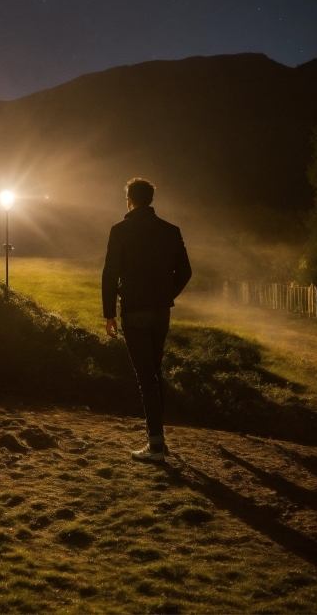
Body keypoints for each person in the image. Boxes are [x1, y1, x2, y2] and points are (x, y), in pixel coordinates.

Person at [102, 177, 192, 462]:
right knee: (155, 374)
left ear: (128, 199)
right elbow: (185, 272)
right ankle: (159, 442)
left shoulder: (120, 230)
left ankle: (155, 446)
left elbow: (109, 274)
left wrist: (109, 313)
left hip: (134, 311)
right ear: (151, 199)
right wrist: (166, 293)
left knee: (146, 379)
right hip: (160, 312)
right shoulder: (170, 230)